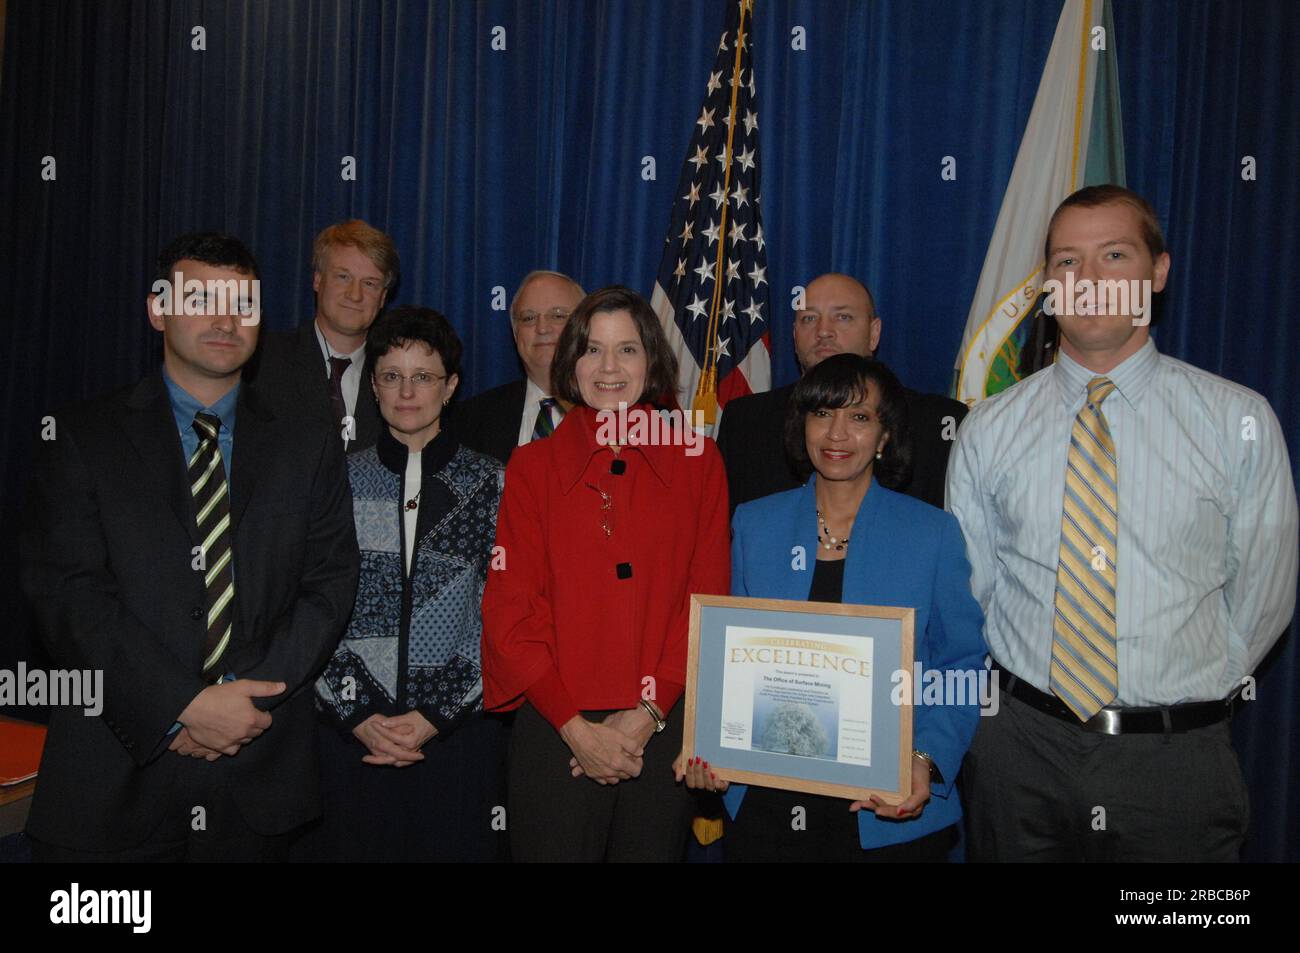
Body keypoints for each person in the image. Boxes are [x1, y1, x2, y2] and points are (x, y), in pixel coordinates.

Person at [947, 184, 1299, 862]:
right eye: (1068, 262)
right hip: (1019, 755)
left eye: (1113, 254)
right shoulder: (989, 427)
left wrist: (1185, 698)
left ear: (1157, 271)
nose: (1090, 280)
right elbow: (974, 592)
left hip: (1174, 766)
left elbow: (1265, 593)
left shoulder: (1238, 422)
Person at [19, 233, 360, 861]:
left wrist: (242, 700)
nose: (226, 319)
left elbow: (331, 583)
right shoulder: (82, 436)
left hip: (258, 781)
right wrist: (182, 705)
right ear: (159, 309)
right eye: (202, 297)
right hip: (115, 775)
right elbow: (68, 596)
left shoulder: (307, 445)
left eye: (243, 302)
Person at [679, 354, 986, 862]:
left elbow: (962, 665)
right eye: (822, 414)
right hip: (766, 800)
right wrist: (707, 742)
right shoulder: (754, 524)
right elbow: (722, 655)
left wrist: (924, 761)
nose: (837, 433)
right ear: (802, 427)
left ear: (886, 436)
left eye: (860, 417)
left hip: (884, 810)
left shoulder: (931, 533)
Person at [481, 286, 730, 862]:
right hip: (554, 727)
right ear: (570, 362)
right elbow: (510, 607)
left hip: (661, 728)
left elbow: (707, 599)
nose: (609, 368)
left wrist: (646, 716)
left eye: (628, 350)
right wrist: (576, 729)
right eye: (592, 350)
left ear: (654, 361)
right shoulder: (532, 465)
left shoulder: (699, 461)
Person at [308, 306, 507, 862]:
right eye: (392, 376)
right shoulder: (339, 480)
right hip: (350, 737)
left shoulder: (492, 483)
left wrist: (435, 714)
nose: (406, 391)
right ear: (373, 386)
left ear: (451, 387)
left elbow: (505, 613)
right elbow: (311, 606)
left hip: (457, 739)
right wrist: (359, 715)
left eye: (424, 377)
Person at [716, 273, 967, 511]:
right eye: (809, 318)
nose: (823, 331)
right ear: (794, 336)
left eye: (843, 317)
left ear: (874, 333)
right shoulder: (745, 421)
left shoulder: (935, 422)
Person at [245, 218, 400, 452]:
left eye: (369, 283)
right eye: (343, 277)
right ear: (317, 279)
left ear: (383, 298)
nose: (355, 295)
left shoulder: (398, 377)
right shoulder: (259, 361)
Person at [452, 270, 586, 464]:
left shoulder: (615, 417)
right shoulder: (470, 420)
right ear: (515, 334)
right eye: (529, 318)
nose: (542, 328)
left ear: (585, 328)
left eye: (557, 316)